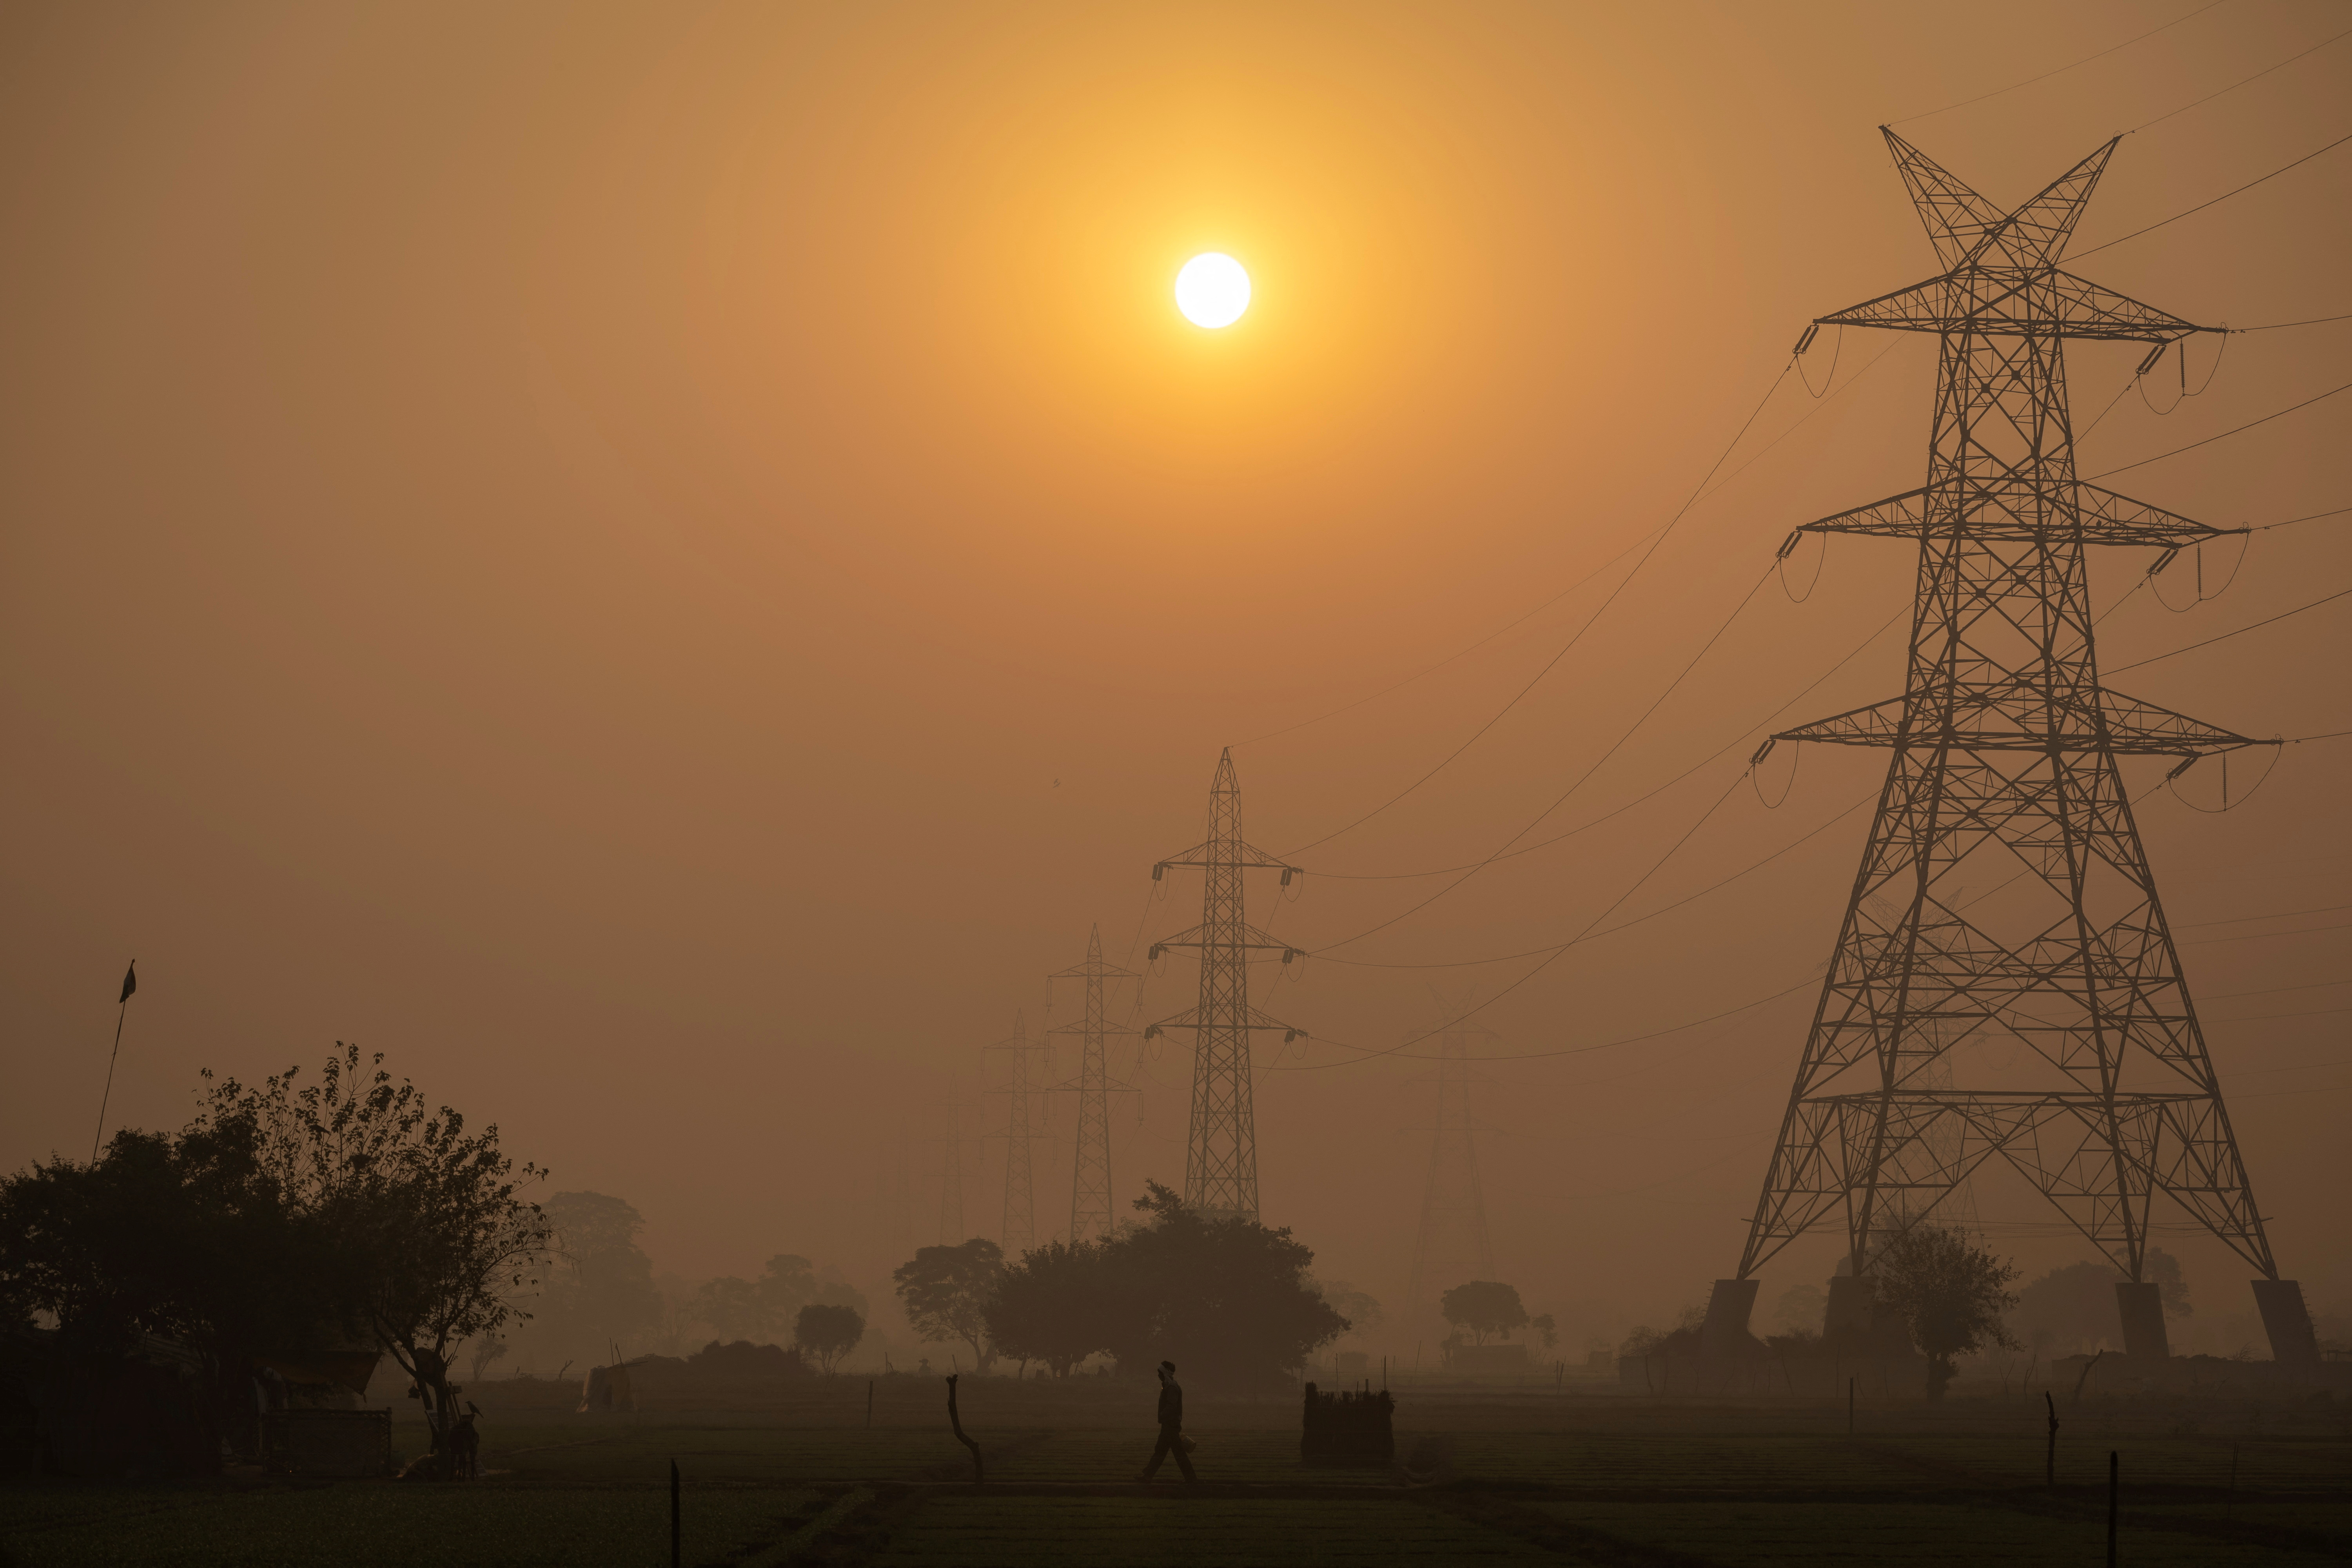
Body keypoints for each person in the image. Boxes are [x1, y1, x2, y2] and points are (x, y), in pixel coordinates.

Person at [1136, 1359, 1197, 1483]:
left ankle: (1148, 1476)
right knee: (1164, 1452)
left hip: (1170, 1426)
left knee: (1166, 1452)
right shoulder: (1168, 1386)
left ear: (1165, 1373)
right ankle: (1149, 1476)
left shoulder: (1172, 1387)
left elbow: (1172, 1406)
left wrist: (1162, 1416)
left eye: (1160, 1373)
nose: (1158, 1375)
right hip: (1169, 1425)